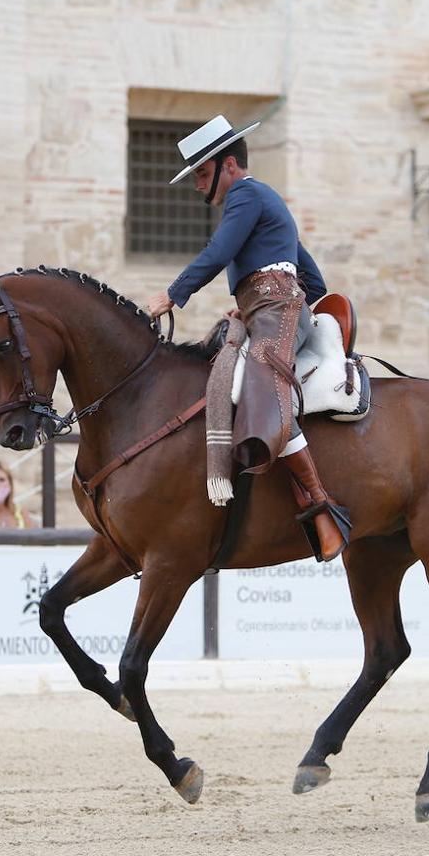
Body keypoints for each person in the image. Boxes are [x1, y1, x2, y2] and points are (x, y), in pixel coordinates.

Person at [142, 115, 345, 561]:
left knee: (264, 388)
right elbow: (310, 274)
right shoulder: (265, 204)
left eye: (200, 173)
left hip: (277, 312)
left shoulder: (247, 194)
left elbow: (220, 251)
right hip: (271, 310)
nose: (197, 186)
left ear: (228, 165)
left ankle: (320, 507)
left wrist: (173, 295)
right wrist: (255, 302)